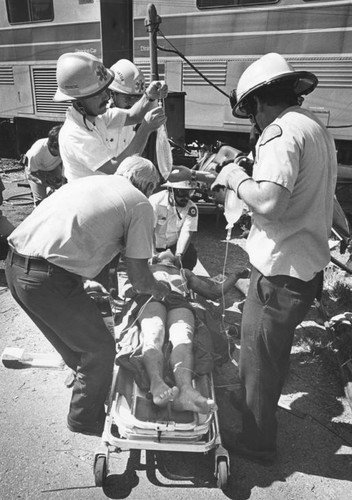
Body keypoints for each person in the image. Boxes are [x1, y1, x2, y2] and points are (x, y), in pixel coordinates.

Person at [212, 52, 337, 464]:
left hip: (280, 271)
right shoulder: (315, 128)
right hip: (305, 267)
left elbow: (269, 202)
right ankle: (253, 407)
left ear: (258, 103)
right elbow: (325, 194)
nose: (254, 121)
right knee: (269, 352)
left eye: (251, 112)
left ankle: (257, 442)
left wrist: (234, 175)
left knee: (259, 356)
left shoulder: (280, 133)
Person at [5, 156, 170, 437]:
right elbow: (140, 278)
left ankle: (92, 389)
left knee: (76, 345)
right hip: (48, 280)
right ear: (149, 186)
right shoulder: (140, 202)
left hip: (15, 268)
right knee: (99, 349)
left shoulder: (93, 182)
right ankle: (84, 420)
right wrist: (159, 289)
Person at [118, 249, 248, 414]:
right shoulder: (145, 267)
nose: (167, 250)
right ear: (154, 257)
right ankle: (156, 382)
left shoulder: (184, 272)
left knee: (184, 338)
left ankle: (185, 391)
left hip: (178, 300)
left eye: (171, 251)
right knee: (154, 332)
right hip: (150, 296)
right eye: (162, 250)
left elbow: (213, 292)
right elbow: (127, 290)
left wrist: (234, 276)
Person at [53, 51, 167, 181]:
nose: (106, 97)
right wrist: (145, 129)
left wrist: (149, 96)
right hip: (89, 199)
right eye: (97, 94)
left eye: (105, 90)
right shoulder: (74, 133)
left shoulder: (99, 117)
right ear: (78, 101)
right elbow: (116, 168)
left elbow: (133, 116)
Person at [149, 180, 199, 271]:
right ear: (171, 191)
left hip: (173, 245)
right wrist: (153, 253)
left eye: (190, 193)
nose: (186, 197)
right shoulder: (155, 201)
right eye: (182, 192)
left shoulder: (192, 208)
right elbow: (149, 230)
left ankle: (182, 277)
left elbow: (186, 233)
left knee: (190, 255)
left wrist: (179, 256)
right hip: (153, 244)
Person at [109, 59, 146, 154]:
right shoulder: (100, 117)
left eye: (137, 99)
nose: (133, 104)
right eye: (128, 98)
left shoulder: (132, 119)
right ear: (112, 94)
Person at [24, 125, 64, 206]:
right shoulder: (36, 153)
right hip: (35, 171)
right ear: (54, 146)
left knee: (62, 193)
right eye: (62, 148)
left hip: (53, 166)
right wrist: (47, 184)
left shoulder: (65, 147)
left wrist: (61, 183)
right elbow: (32, 174)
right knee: (41, 202)